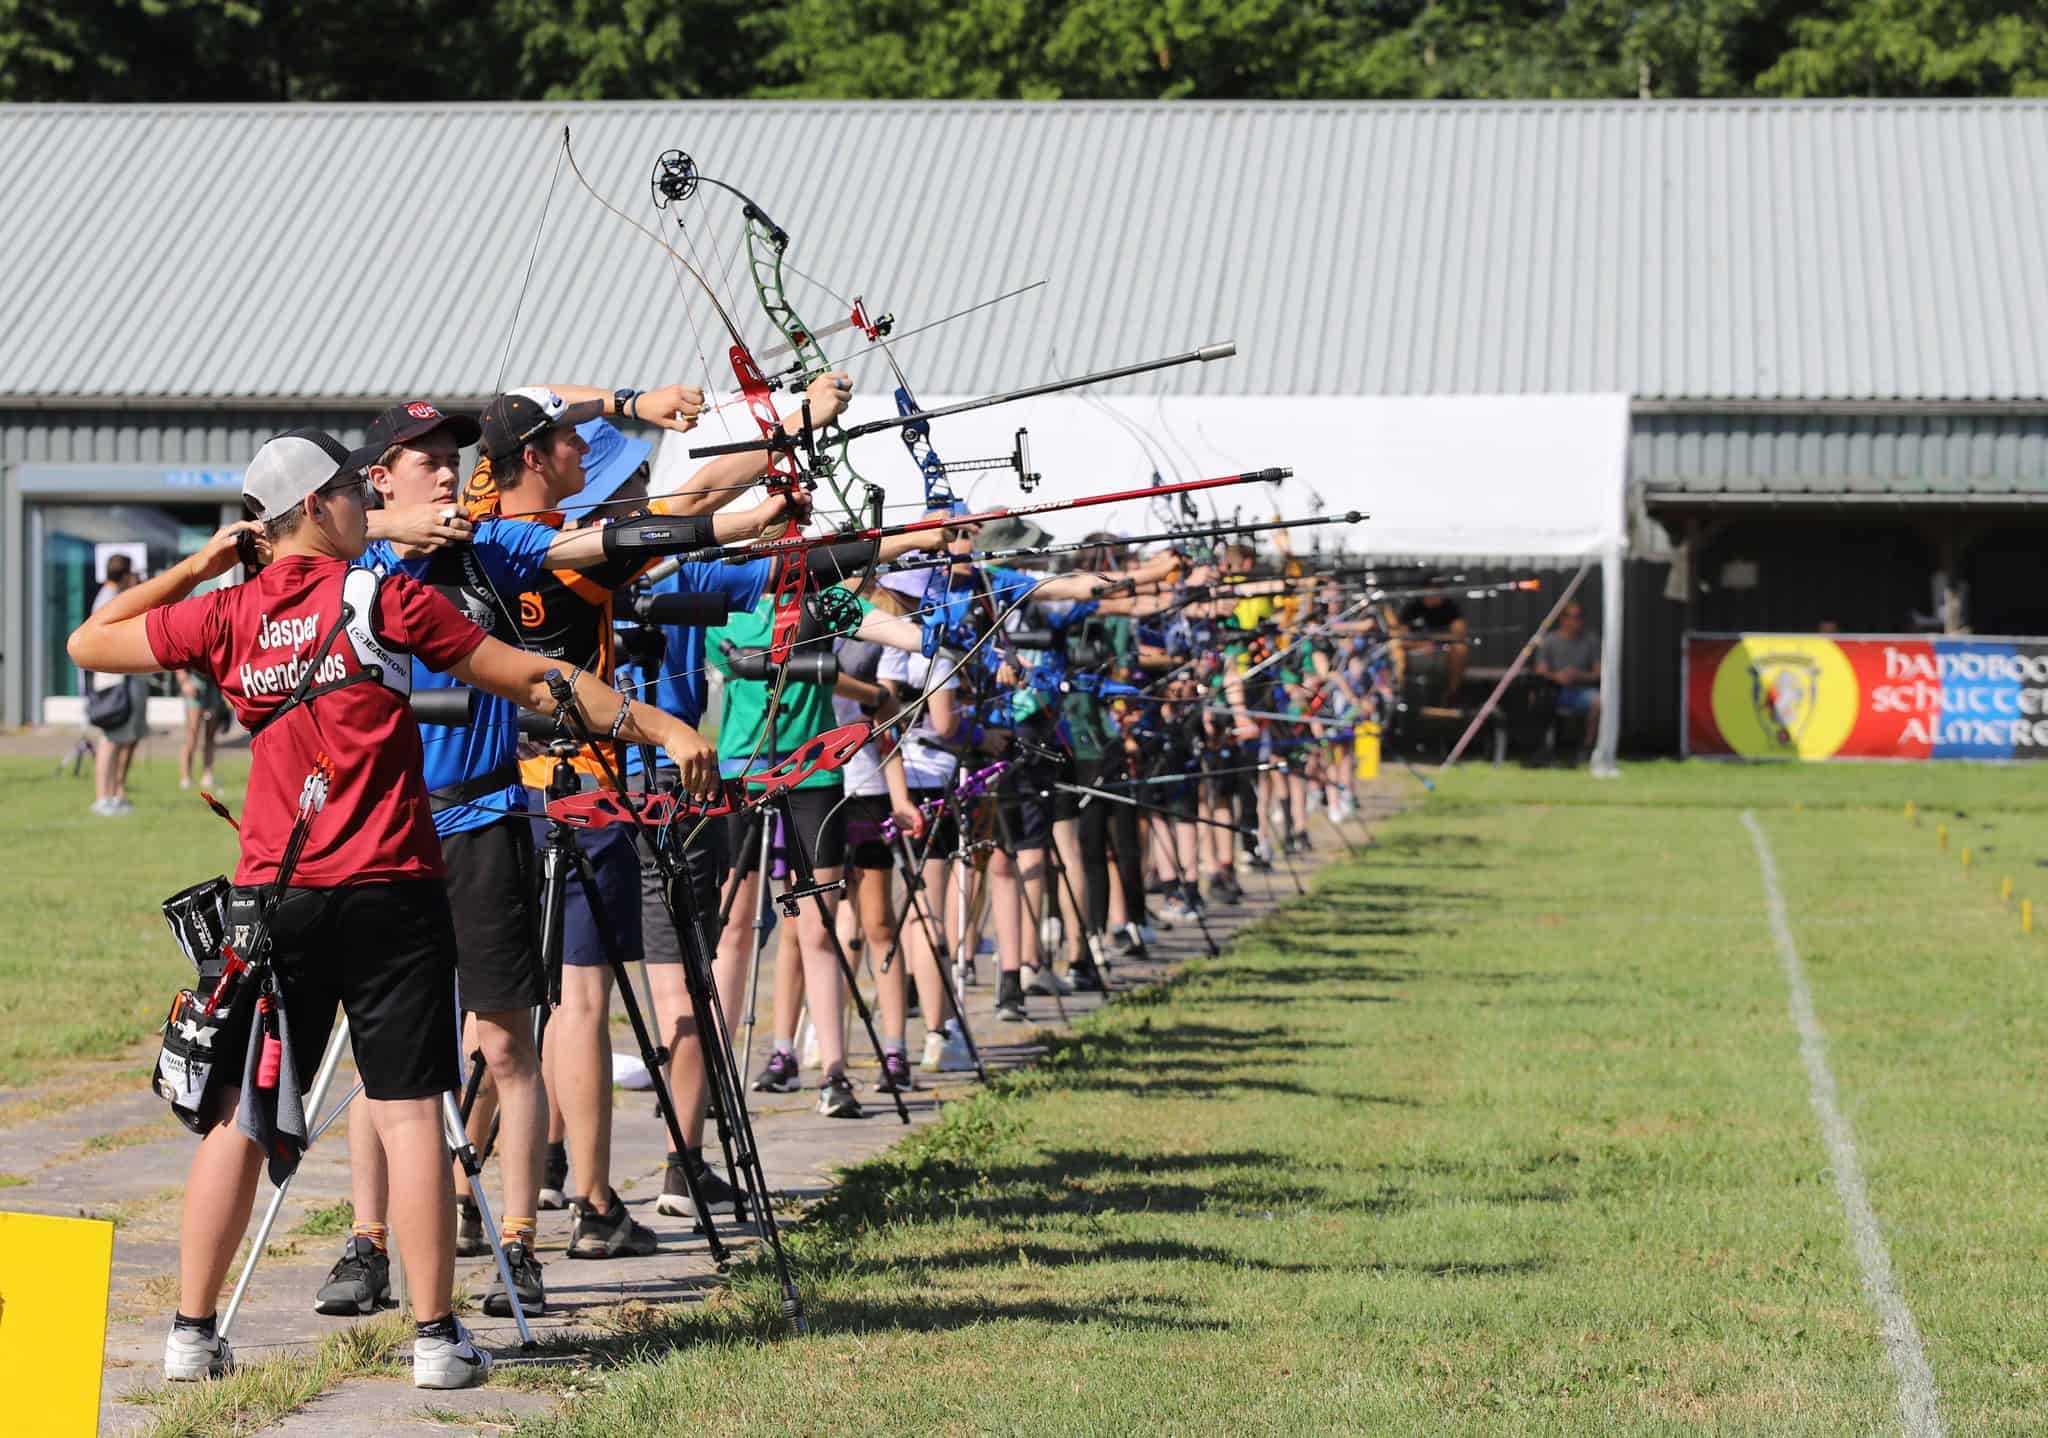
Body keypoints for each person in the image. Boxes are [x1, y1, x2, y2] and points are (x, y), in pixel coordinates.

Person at [68, 429, 714, 1391]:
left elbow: (91, 642)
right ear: (324, 505)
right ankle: (435, 1341)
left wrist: (201, 564)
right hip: (389, 890)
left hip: (271, 901)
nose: (365, 513)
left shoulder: (228, 614)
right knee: (413, 1111)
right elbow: (529, 676)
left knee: (239, 1117)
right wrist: (658, 722)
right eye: (351, 498)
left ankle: (188, 1336)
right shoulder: (379, 595)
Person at [87, 553, 151, 815]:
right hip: (114, 681)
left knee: (119, 738)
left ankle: (113, 795)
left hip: (119, 679)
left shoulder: (108, 597)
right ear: (125, 575)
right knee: (110, 740)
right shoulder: (109, 601)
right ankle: (103, 798)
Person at [1534, 600, 1601, 759]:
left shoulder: (1591, 640)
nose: (1576, 622)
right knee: (1538, 699)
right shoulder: (1549, 641)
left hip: (1582, 691)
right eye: (1572, 617)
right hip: (1555, 691)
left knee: (1599, 701)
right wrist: (1556, 676)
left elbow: (1599, 673)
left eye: (1579, 617)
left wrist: (1578, 674)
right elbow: (1540, 671)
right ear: (1563, 619)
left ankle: (1588, 746)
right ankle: (1543, 747)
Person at [178, 667, 227, 791]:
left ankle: (208, 775)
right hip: (195, 681)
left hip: (214, 683)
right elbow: (179, 659)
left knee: (210, 735)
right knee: (192, 734)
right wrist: (184, 681)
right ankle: (185, 778)